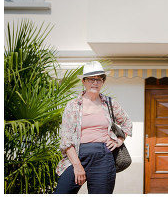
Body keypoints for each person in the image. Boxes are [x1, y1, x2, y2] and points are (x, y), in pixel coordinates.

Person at [54, 61, 132, 194]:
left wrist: (119, 140)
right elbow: (66, 139)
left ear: (103, 82)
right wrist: (77, 166)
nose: (95, 83)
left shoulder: (109, 103)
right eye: (91, 79)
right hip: (77, 155)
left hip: (103, 157)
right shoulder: (73, 105)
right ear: (83, 81)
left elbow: (127, 122)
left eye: (99, 79)